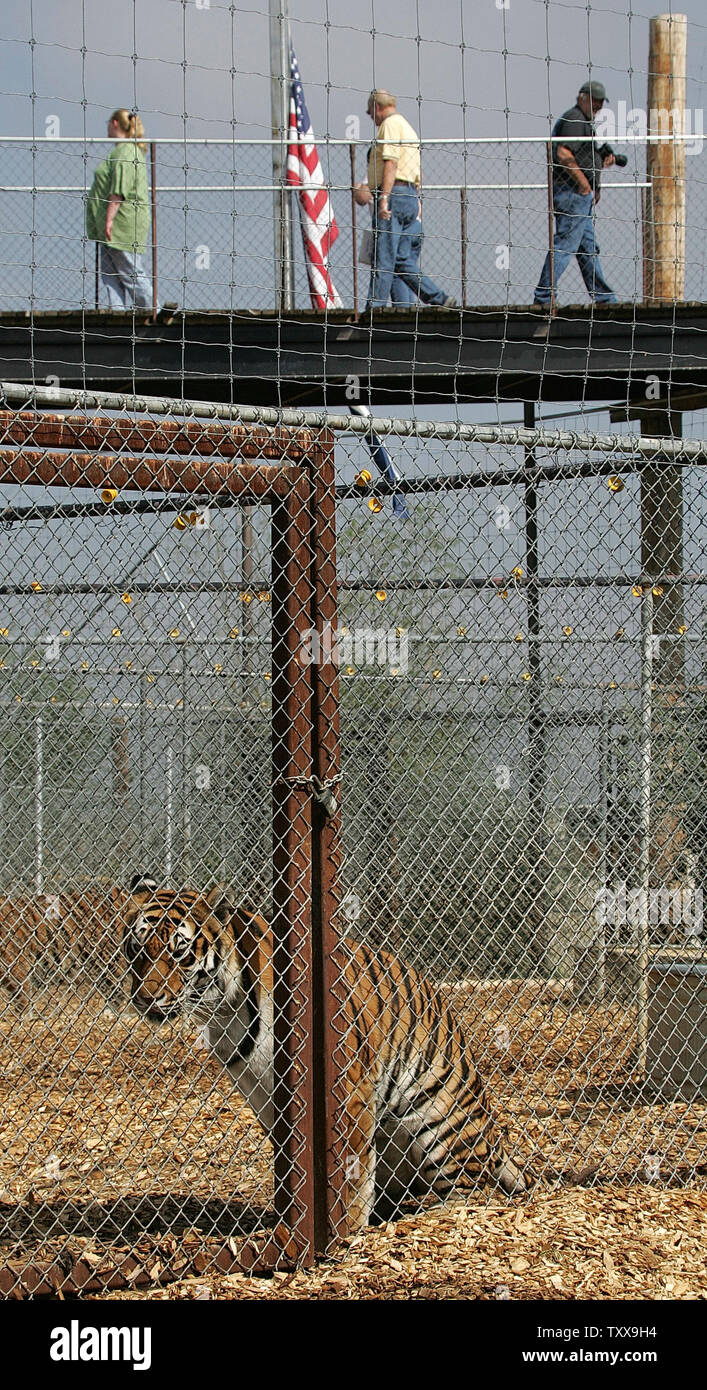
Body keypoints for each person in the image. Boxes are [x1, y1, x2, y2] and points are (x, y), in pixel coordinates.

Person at [362, 89, 456, 311]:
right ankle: (439, 298)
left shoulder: (390, 125)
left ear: (377, 107)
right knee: (402, 259)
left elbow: (391, 163)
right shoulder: (408, 128)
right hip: (410, 196)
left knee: (384, 256)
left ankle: (374, 309)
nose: (371, 118)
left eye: (370, 112)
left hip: (394, 194)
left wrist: (384, 198)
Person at [533, 80, 618, 310]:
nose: (598, 107)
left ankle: (604, 298)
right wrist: (583, 185)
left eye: (601, 104)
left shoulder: (583, 122)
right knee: (565, 245)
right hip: (572, 195)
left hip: (580, 197)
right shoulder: (575, 119)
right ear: (582, 97)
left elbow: (580, 157)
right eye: (595, 101)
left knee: (588, 249)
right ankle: (543, 296)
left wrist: (599, 166)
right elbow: (563, 152)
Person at [86, 108, 157, 311]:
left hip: (121, 223)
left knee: (129, 271)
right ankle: (118, 314)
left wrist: (109, 219)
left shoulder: (126, 152)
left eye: (108, 122)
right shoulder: (122, 151)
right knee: (110, 274)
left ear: (115, 123)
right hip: (110, 225)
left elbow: (119, 190)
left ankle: (154, 311)